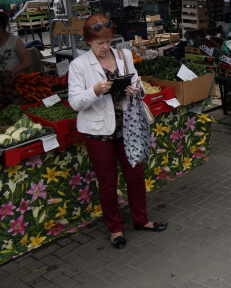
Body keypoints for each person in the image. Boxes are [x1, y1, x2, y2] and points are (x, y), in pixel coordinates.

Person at [68, 14, 167, 250]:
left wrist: (136, 88)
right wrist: (95, 90)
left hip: (128, 127)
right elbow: (74, 103)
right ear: (87, 41)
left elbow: (138, 82)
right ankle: (115, 229)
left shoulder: (123, 56)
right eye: (99, 43)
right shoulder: (78, 65)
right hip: (98, 133)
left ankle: (141, 220)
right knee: (108, 183)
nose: (105, 47)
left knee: (135, 176)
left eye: (108, 41)